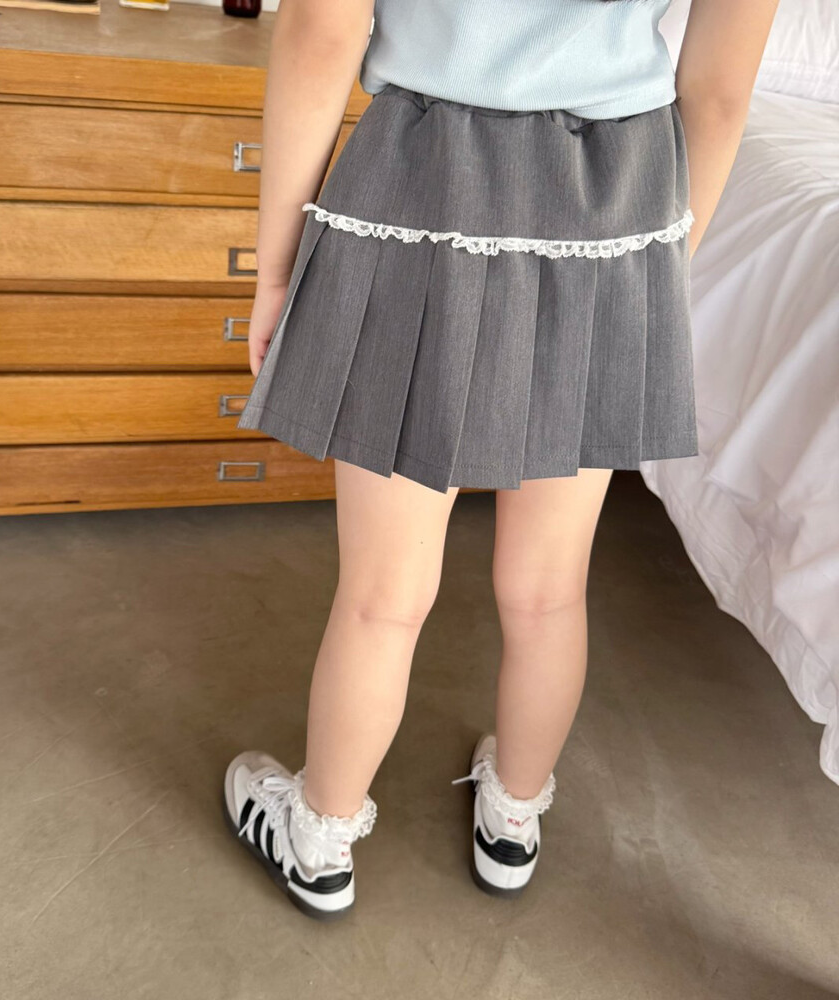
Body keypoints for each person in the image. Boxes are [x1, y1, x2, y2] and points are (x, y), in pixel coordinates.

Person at [222, 0, 781, 921]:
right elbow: (718, 92)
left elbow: (322, 28)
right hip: (615, 193)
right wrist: (659, 262)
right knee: (548, 590)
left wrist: (278, 268)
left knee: (383, 595)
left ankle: (319, 842)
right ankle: (513, 818)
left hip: (422, 179)